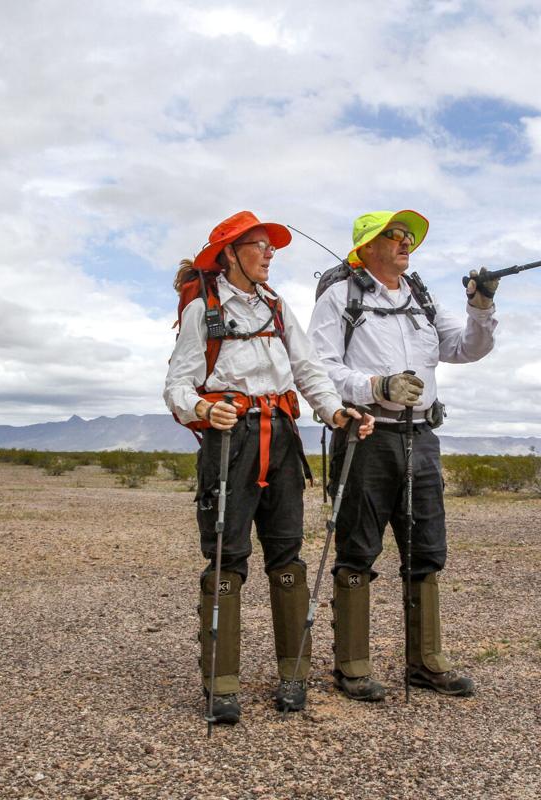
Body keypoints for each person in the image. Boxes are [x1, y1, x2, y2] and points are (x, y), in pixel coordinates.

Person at [164, 210, 374, 724]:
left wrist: (335, 411)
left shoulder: (279, 308)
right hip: (229, 440)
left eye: (270, 246)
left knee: (287, 553)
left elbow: (307, 370)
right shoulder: (203, 310)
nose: (269, 253)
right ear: (230, 255)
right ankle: (222, 685)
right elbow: (176, 385)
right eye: (258, 245)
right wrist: (203, 409)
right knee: (227, 556)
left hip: (281, 440)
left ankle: (293, 677)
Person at [308, 209, 499, 701]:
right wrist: (374, 385)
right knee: (357, 548)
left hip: (422, 439)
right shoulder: (340, 296)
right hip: (366, 436)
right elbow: (318, 367)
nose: (404, 242)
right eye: (393, 235)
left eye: (408, 236)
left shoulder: (423, 297)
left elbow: (468, 349)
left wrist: (481, 306)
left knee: (426, 548)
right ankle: (351, 667)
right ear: (366, 246)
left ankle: (426, 662)